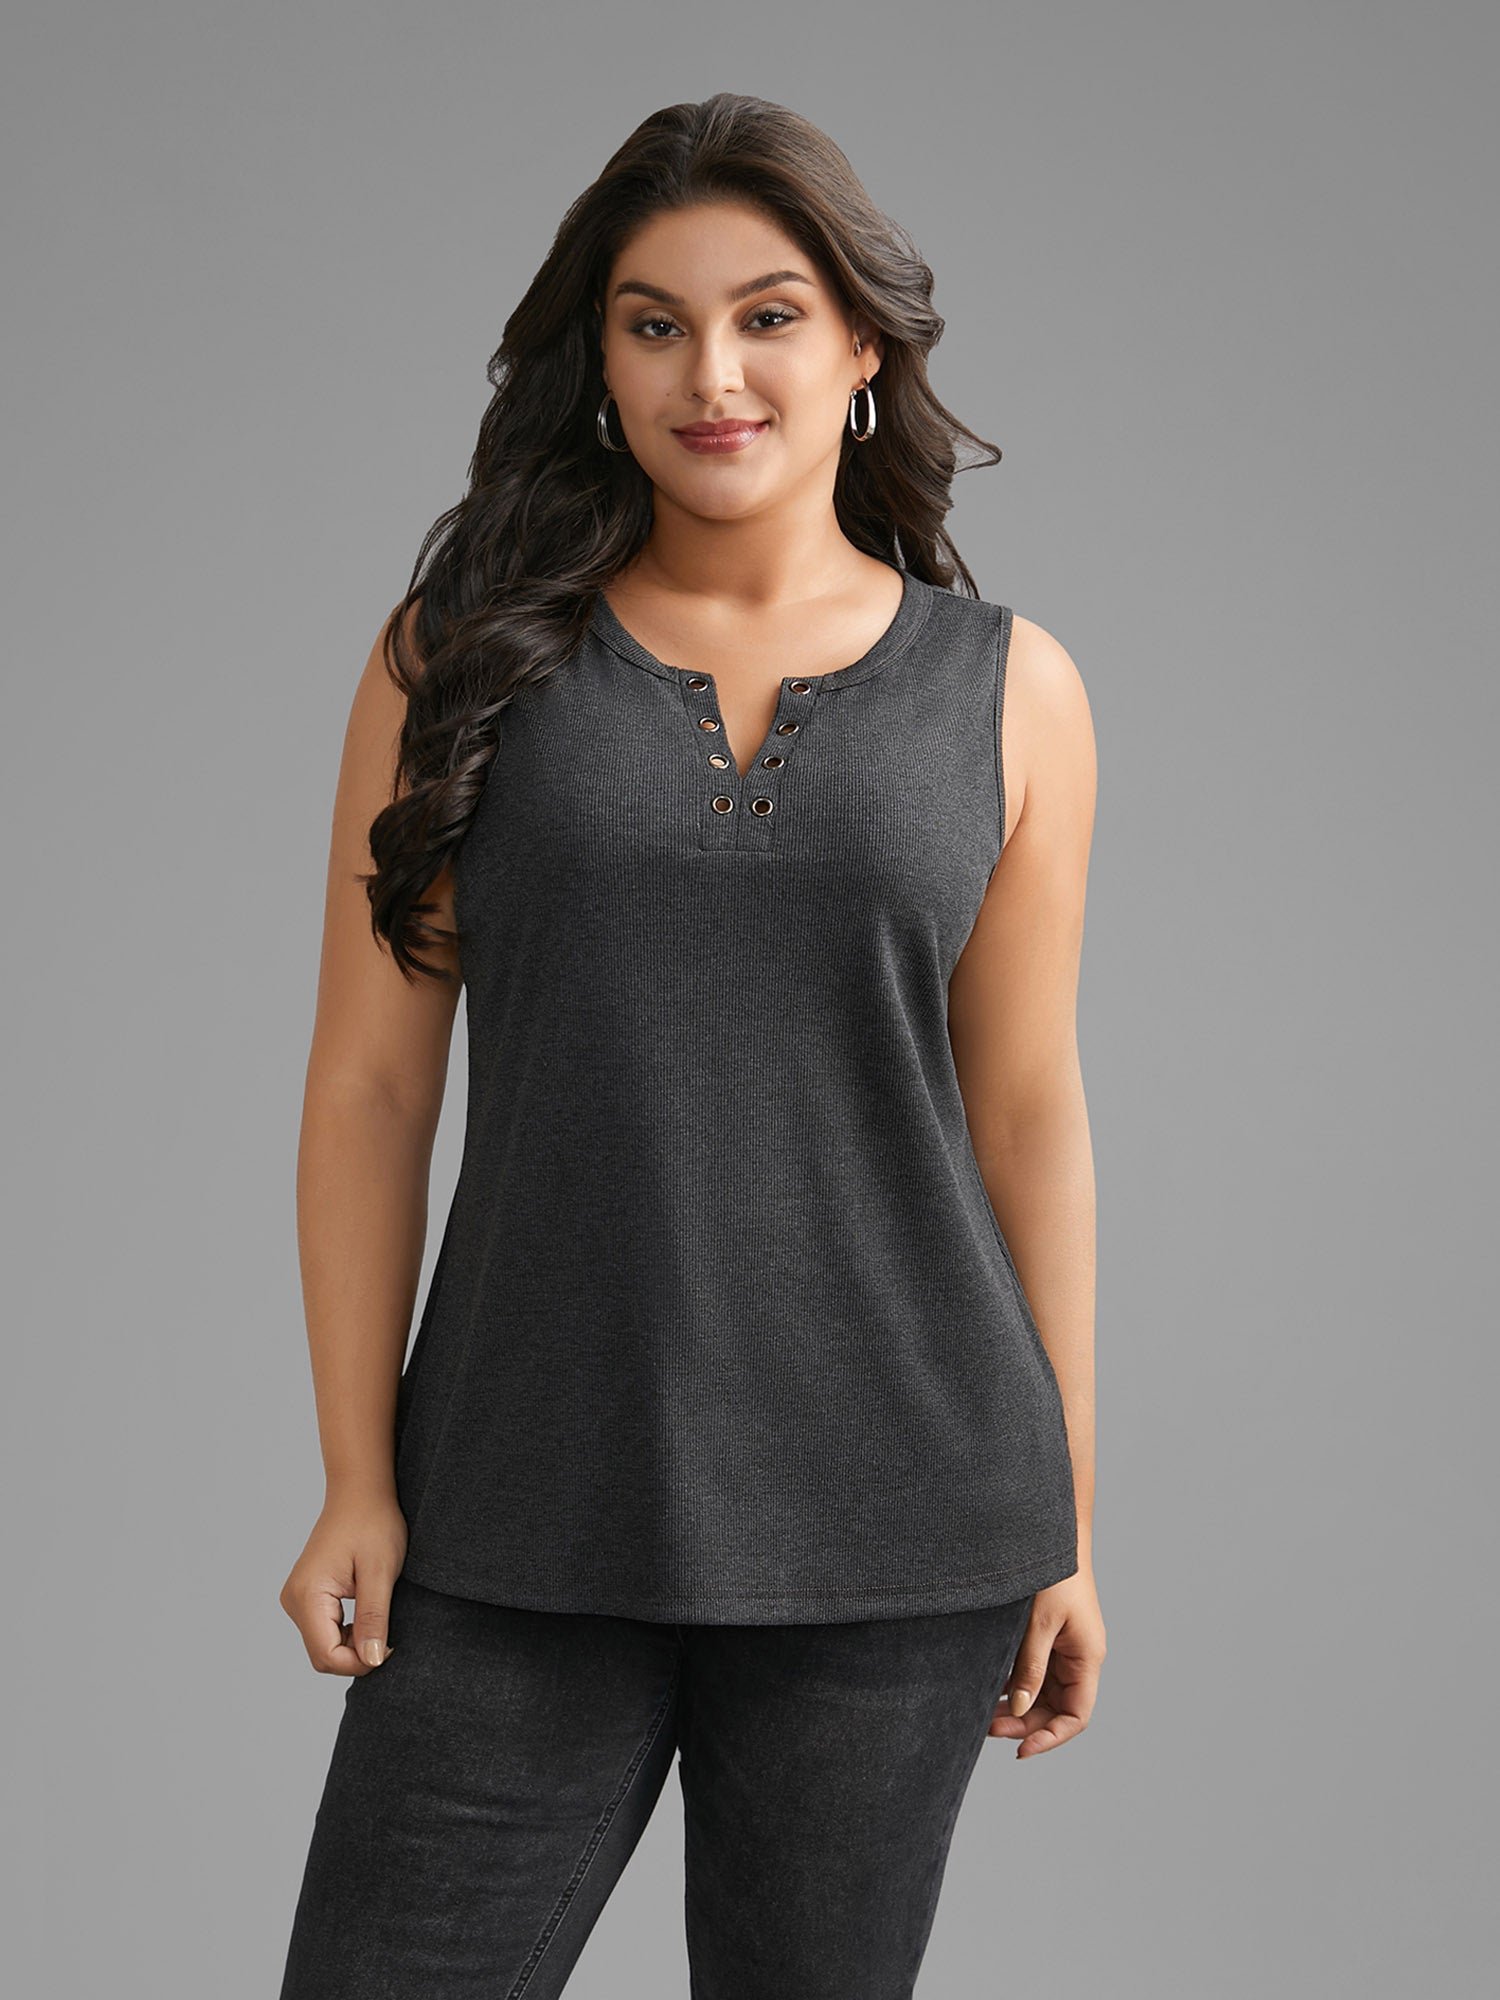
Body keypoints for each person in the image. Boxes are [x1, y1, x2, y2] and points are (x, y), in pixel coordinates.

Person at [276, 91, 1104, 2000]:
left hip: (902, 1530)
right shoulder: (457, 662)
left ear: (863, 348)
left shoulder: (1013, 694)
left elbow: (1028, 1114)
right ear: (599, 360)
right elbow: (372, 1087)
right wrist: (354, 1475)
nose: (711, 375)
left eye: (767, 316)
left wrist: (1064, 1520)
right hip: (515, 1506)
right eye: (654, 324)